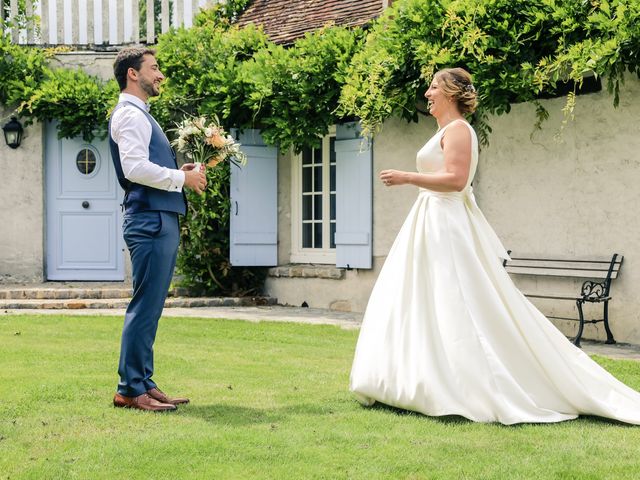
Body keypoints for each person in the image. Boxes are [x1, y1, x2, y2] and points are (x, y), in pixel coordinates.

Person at [349, 67, 640, 425]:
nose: (427, 93)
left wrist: (408, 177)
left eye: (434, 87)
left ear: (451, 93)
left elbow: (456, 181)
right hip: (429, 221)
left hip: (446, 223)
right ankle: (414, 379)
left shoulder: (459, 131)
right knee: (421, 298)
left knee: (456, 299)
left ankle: (468, 386)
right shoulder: (443, 131)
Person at [109, 47, 207, 412]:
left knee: (151, 307)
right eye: (154, 68)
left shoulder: (140, 116)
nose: (160, 74)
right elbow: (134, 168)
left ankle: (143, 383)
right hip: (149, 220)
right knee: (144, 306)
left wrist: (180, 170)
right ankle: (130, 389)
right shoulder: (130, 116)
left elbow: (146, 166)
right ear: (133, 74)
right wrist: (182, 177)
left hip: (157, 217)